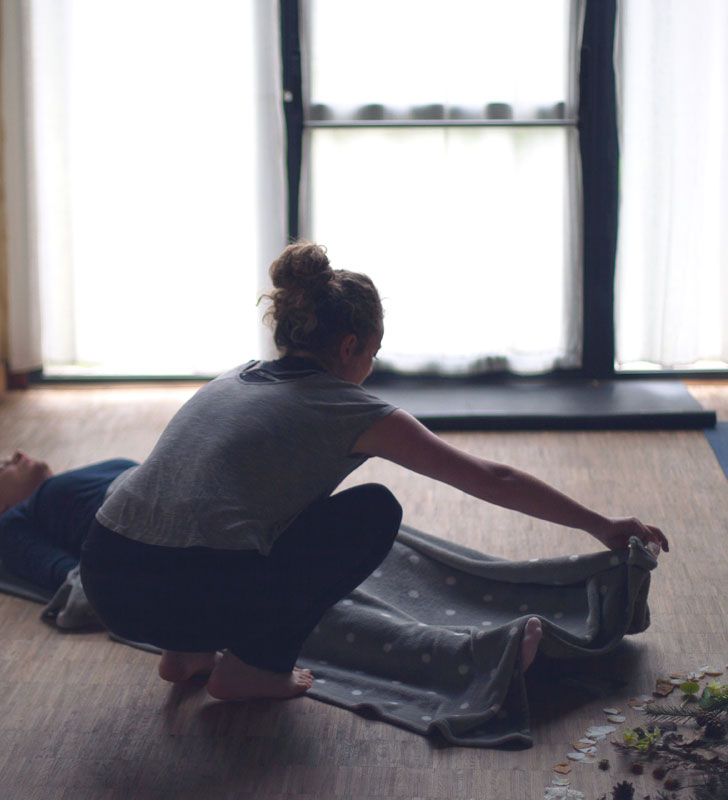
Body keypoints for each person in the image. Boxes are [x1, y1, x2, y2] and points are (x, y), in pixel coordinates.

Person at [75, 242, 668, 703]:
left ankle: (184, 656)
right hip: (188, 590)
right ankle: (252, 670)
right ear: (353, 344)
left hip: (105, 574)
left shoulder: (235, 377)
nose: (372, 367)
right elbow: (494, 478)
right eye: (374, 354)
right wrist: (600, 524)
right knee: (373, 510)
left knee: (228, 516)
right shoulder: (350, 408)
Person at [0, 452, 139, 594]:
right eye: (3, 467)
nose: (18, 453)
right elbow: (76, 580)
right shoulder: (12, 523)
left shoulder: (67, 484)